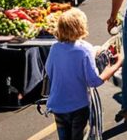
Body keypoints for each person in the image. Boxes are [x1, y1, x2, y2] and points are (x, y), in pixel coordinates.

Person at [46, 9, 123, 140]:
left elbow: (49, 71)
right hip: (78, 105)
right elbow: (94, 81)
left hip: (57, 105)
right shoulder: (84, 49)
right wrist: (116, 64)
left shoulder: (55, 48)